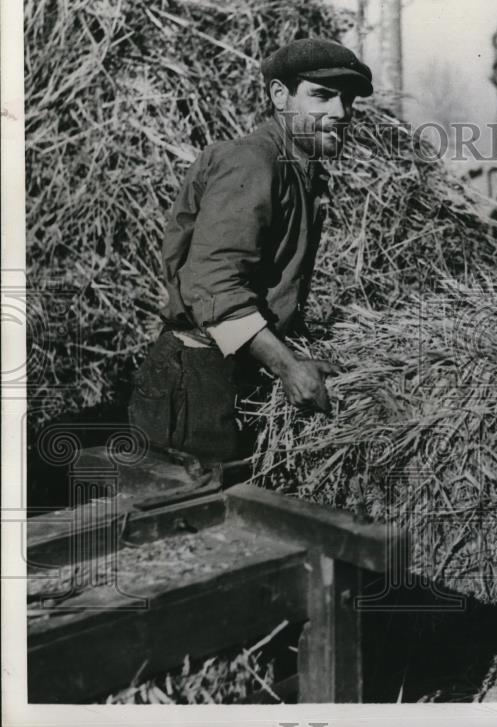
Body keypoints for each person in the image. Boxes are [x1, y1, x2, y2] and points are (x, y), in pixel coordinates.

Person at [128, 38, 374, 462]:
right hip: (195, 382)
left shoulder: (299, 170)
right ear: (280, 96)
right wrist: (288, 366)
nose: (341, 113)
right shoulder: (252, 162)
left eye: (347, 100)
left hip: (231, 372)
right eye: (322, 96)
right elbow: (213, 285)